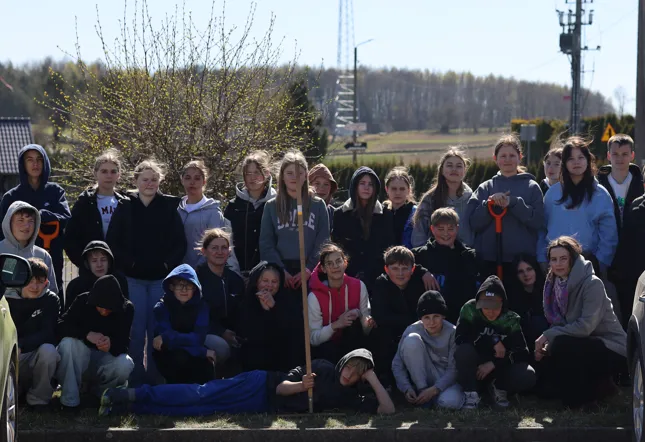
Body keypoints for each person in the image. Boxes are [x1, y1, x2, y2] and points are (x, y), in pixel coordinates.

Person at [99, 349, 395, 416]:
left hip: (261, 405)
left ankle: (133, 407)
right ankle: (133, 394)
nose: (350, 374)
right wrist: (302, 386)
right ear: (343, 362)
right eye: (351, 366)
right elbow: (281, 388)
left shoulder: (349, 397)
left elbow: (388, 411)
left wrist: (371, 376)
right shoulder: (323, 368)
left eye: (357, 373)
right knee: (202, 394)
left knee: (200, 410)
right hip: (259, 384)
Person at [108, 159, 187, 386]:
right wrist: (129, 264)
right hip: (132, 279)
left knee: (156, 328)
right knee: (135, 328)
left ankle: (155, 377)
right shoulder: (125, 206)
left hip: (160, 280)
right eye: (145, 179)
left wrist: (166, 266)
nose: (149, 184)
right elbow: (113, 240)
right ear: (136, 180)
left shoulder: (168, 207)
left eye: (154, 179)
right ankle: (134, 379)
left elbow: (179, 243)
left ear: (160, 181)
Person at [534, 236, 626, 408]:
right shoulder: (553, 284)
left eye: (563, 258)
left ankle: (584, 402)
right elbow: (560, 324)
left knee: (563, 345)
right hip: (580, 342)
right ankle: (601, 387)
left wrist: (548, 335)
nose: (558, 264)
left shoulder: (592, 284)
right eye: (554, 259)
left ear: (573, 259)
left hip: (610, 347)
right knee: (545, 390)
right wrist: (547, 343)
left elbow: (585, 327)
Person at [467, 134, 544, 284]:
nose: (507, 159)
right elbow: (474, 223)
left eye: (512, 155)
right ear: (495, 159)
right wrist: (489, 204)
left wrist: (514, 202)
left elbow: (538, 221)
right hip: (489, 259)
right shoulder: (485, 188)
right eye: (503, 156)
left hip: (522, 262)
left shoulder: (531, 187)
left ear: (520, 157)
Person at [538, 137, 617, 279]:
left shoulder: (600, 194)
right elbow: (542, 229)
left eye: (580, 157)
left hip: (589, 264)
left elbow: (609, 235)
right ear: (564, 163)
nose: (576, 162)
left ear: (588, 160)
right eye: (571, 159)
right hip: (555, 264)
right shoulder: (552, 194)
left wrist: (600, 263)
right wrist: (542, 260)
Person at [454, 275, 536, 409]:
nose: (490, 312)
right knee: (463, 351)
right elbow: (460, 338)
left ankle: (499, 389)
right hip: (475, 367)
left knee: (527, 374)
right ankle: (471, 393)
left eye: (495, 307)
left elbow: (522, 352)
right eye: (486, 306)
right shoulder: (469, 310)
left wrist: (494, 363)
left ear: (503, 303)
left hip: (499, 368)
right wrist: (493, 340)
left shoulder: (510, 318)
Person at [57, 275, 134, 409]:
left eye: (109, 308)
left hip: (105, 359)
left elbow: (124, 344)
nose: (104, 311)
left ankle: (103, 395)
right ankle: (70, 400)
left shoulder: (126, 309)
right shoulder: (82, 300)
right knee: (68, 344)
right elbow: (61, 325)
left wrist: (111, 344)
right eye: (100, 306)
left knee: (125, 363)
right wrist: (86, 334)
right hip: (81, 357)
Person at [0, 144, 71, 291]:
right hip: (17, 256)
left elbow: (66, 219)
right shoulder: (11, 197)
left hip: (51, 253)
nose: (35, 164)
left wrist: (45, 215)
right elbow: (2, 230)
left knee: (52, 292)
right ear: (23, 164)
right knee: (13, 290)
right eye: (30, 160)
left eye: (39, 159)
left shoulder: (55, 192)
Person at [260, 150, 329, 290]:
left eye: (299, 173)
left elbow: (323, 241)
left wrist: (309, 269)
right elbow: (266, 244)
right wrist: (280, 270)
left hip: (310, 271)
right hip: (279, 272)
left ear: (306, 176)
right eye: (289, 173)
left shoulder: (318, 205)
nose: (294, 177)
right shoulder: (271, 206)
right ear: (282, 176)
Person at [597, 134, 644, 328]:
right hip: (606, 251)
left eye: (625, 154)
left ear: (632, 155)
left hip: (634, 254)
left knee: (632, 304)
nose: (620, 158)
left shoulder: (640, 183)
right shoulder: (598, 185)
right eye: (615, 154)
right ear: (608, 155)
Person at [370, 245, 433, 386]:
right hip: (392, 335)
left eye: (404, 268)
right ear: (386, 269)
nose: (400, 273)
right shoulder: (381, 284)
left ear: (412, 269)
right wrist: (409, 321)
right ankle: (385, 380)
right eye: (395, 269)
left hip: (418, 332)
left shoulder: (420, 283)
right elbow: (380, 316)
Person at [391, 291, 463, 409]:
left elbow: (454, 369)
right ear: (421, 318)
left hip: (445, 379)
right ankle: (422, 393)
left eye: (436, 316)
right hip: (422, 378)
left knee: (451, 402)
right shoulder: (412, 330)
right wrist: (406, 388)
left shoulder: (453, 332)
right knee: (411, 340)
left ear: (443, 316)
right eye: (426, 317)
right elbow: (397, 364)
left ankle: (431, 398)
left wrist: (435, 389)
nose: (431, 322)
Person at [5, 258, 60, 408]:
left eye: (40, 281)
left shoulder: (51, 300)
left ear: (46, 282)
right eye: (30, 280)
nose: (35, 286)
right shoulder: (7, 298)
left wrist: (22, 344)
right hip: (10, 354)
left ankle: (38, 400)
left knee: (49, 351)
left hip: (32, 355)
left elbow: (48, 333)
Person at [307, 243, 374, 364]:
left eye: (338, 261)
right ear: (323, 268)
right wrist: (337, 324)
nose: (335, 266)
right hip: (326, 351)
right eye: (329, 263)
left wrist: (364, 319)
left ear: (345, 263)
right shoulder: (314, 297)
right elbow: (313, 339)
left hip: (353, 345)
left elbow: (366, 328)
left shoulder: (359, 286)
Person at [412, 208, 480, 324]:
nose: (445, 233)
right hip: (431, 322)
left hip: (462, 319)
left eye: (450, 229)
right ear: (432, 229)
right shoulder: (420, 255)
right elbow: (401, 264)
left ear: (457, 229)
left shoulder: (469, 256)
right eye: (440, 229)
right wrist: (421, 271)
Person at [64, 148, 128, 269]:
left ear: (119, 175)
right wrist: (85, 264)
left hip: (120, 270)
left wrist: (127, 263)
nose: (109, 176)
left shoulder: (125, 203)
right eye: (104, 171)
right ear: (95, 173)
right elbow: (70, 238)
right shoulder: (85, 202)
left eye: (113, 171)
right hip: (91, 270)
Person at [332, 166, 395, 290]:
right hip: (347, 277)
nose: (367, 187)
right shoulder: (340, 214)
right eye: (362, 183)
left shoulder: (385, 215)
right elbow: (337, 247)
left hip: (377, 278)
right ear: (355, 186)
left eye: (370, 184)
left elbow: (389, 246)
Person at [153, 264, 215, 385]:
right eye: (179, 285)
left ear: (195, 288)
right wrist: (202, 351)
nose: (184, 290)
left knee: (207, 363)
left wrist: (168, 337)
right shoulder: (161, 307)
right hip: (170, 354)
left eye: (189, 285)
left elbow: (199, 338)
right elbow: (167, 342)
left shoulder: (202, 306)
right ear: (171, 287)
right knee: (180, 357)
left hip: (195, 350)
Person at [237, 261, 304, 372]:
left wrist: (273, 308)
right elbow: (248, 333)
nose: (269, 285)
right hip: (256, 358)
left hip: (283, 358)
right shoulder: (248, 302)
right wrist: (265, 311)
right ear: (257, 282)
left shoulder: (288, 301)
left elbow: (292, 332)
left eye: (274, 282)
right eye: (265, 281)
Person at [178, 160, 240, 273]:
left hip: (204, 272)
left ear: (204, 181)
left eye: (197, 178)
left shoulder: (213, 212)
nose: (192, 182)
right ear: (182, 180)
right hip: (178, 272)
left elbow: (216, 246)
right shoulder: (177, 209)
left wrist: (198, 270)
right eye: (188, 178)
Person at [195, 228, 245, 368]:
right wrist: (220, 332)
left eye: (224, 248)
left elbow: (242, 311)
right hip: (204, 333)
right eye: (214, 248)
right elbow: (193, 314)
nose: (219, 252)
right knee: (221, 347)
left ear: (229, 252)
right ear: (204, 251)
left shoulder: (235, 280)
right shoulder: (196, 279)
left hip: (232, 333)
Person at [224, 151, 276, 275]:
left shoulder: (277, 204)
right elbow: (227, 241)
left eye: (257, 172)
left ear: (266, 173)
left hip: (270, 275)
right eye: (248, 173)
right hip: (238, 273)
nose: (252, 178)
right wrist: (235, 272)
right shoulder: (233, 206)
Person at [412, 148, 473, 247]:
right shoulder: (429, 199)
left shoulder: (472, 198)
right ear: (442, 170)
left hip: (466, 253)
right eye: (449, 165)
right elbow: (419, 233)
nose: (454, 169)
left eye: (459, 166)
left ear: (464, 170)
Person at [0, 201, 57, 294]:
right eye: (20, 220)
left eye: (31, 221)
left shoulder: (43, 255)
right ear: (9, 223)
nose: (26, 226)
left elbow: (52, 291)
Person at [63, 240, 129, 313]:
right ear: (87, 264)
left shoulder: (119, 281)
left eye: (103, 260)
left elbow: (125, 312)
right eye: (94, 261)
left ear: (109, 262)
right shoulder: (75, 286)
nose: (99, 265)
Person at [509, 254, 548, 355]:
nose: (526, 274)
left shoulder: (548, 291)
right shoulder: (511, 296)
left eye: (529, 269)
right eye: (521, 271)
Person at [383, 166, 417, 248]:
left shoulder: (416, 213)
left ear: (408, 190)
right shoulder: (382, 213)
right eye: (394, 189)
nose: (398, 193)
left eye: (402, 189)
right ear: (387, 189)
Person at [308, 163, 338, 232]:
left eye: (326, 184)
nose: (321, 188)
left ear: (331, 188)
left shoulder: (335, 215)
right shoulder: (299, 210)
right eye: (317, 183)